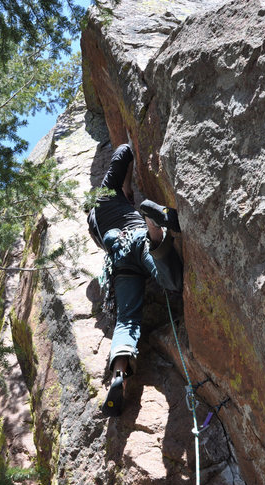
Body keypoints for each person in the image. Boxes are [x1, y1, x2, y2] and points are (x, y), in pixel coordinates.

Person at [87, 143, 183, 417]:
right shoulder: (105, 194)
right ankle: (154, 227)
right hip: (138, 239)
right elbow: (125, 150)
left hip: (118, 261)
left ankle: (119, 374)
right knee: (174, 282)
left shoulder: (98, 218)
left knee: (126, 320)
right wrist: (126, 186)